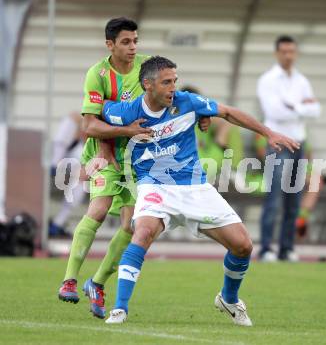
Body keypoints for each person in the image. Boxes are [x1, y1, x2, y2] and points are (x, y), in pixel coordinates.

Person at [101, 56, 300, 326]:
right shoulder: (126, 112)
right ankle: (120, 309)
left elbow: (227, 112)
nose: (173, 88)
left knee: (243, 245)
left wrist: (268, 133)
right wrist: (115, 138)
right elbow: (96, 118)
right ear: (148, 85)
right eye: (166, 82)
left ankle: (228, 299)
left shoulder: (186, 102)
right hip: (155, 185)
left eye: (175, 81)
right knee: (143, 232)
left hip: (195, 186)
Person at [57, 17, 211, 319]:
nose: (132, 47)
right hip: (105, 153)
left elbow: (173, 99)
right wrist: (126, 131)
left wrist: (201, 115)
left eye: (135, 41)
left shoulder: (147, 69)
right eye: (126, 42)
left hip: (140, 160)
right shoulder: (97, 74)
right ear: (110, 45)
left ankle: (97, 283)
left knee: (131, 227)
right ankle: (69, 280)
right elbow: (89, 124)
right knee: (98, 211)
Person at [257, 35, 321, 262]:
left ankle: (286, 248)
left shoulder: (301, 80)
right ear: (277, 53)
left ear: (296, 53)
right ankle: (266, 248)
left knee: (294, 200)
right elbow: (274, 112)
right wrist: (302, 106)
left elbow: (316, 110)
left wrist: (292, 105)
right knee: (273, 199)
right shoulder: (268, 79)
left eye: (291, 51)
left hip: (299, 144)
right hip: (278, 144)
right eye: (284, 51)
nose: (288, 55)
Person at [49, 112, 87, 237]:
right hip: (53, 165)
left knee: (79, 186)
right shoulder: (70, 134)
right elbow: (72, 116)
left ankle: (56, 224)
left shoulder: (88, 146)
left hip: (67, 173)